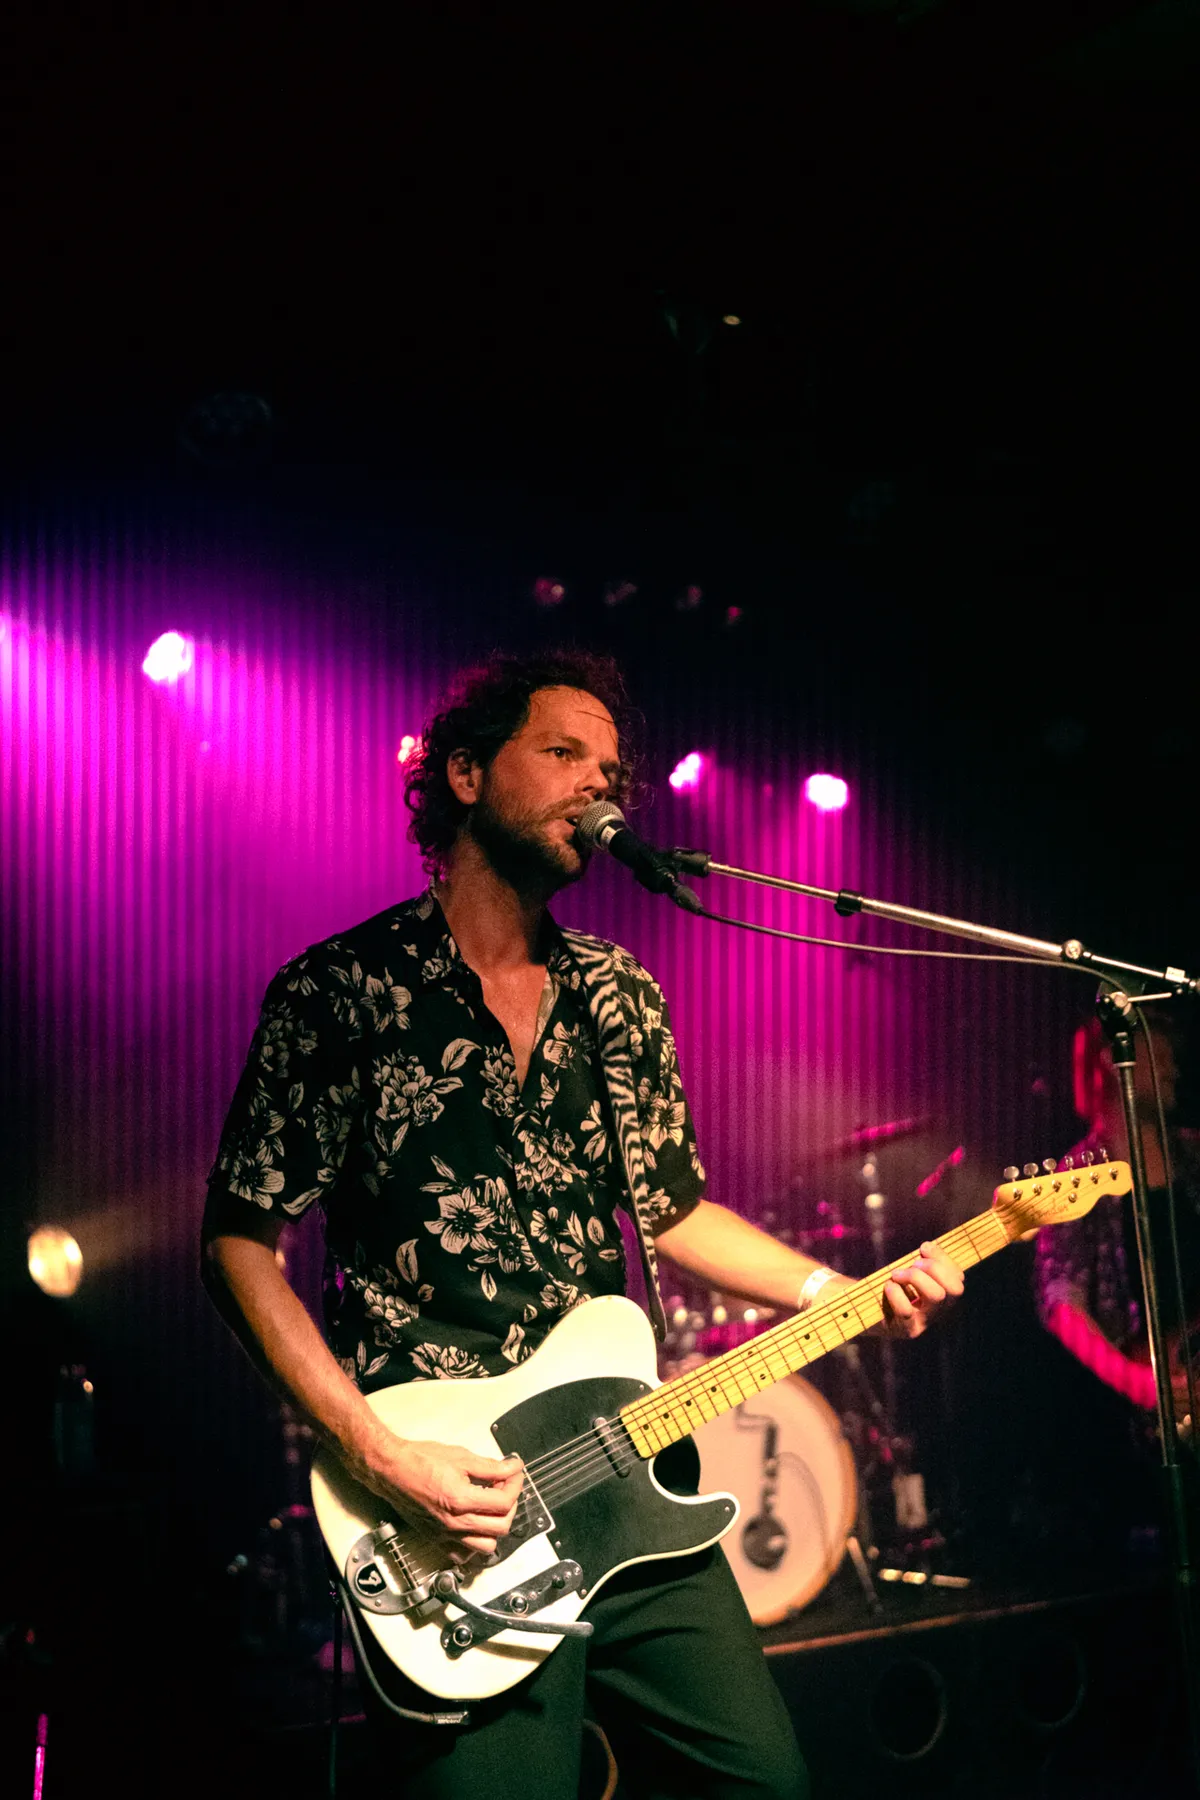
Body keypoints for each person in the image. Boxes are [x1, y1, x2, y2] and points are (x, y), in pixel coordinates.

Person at [201, 649, 965, 1799]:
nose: (597, 783)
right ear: (466, 775)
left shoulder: (618, 994)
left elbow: (672, 1210)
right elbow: (236, 1242)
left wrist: (837, 1294)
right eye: (562, 752)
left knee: (765, 1783)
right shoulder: (340, 991)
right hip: (449, 1508)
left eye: (608, 767)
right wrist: (375, 1451)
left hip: (621, 1476)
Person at [1036, 1012, 1200, 1432]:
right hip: (1136, 1429)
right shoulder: (1076, 1176)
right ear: (1113, 1058)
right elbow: (1062, 1306)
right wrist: (1139, 1384)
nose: (1173, 1063)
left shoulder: (1193, 1155)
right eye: (1158, 1049)